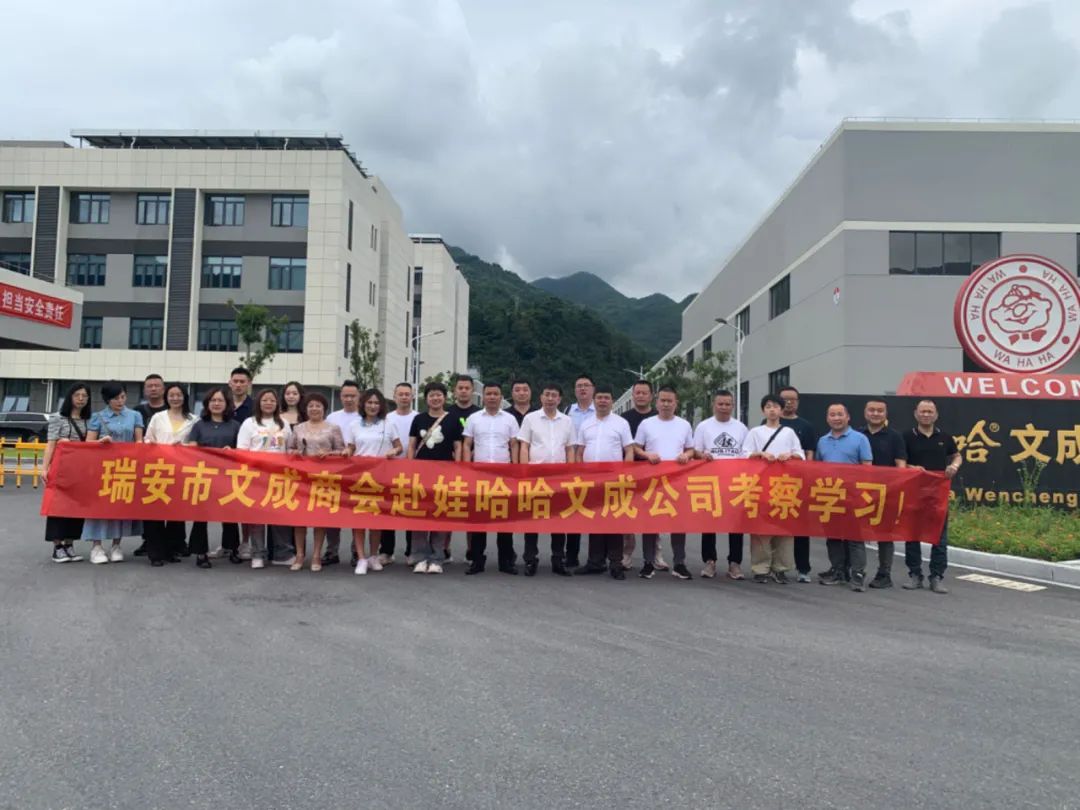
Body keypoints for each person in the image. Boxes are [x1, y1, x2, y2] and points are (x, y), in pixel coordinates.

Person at [633, 385, 695, 580]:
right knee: (650, 522)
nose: (666, 404)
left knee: (679, 522)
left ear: (676, 403)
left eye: (670, 401)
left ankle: (679, 563)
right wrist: (647, 454)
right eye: (663, 400)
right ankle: (648, 563)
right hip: (652, 480)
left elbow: (691, 449)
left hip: (677, 480)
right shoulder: (646, 424)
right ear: (656, 402)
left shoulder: (684, 425)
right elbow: (636, 447)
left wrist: (686, 455)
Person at [574, 383, 634, 579]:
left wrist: (625, 474)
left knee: (614, 521)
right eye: (599, 397)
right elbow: (580, 451)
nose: (602, 401)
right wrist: (579, 475)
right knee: (595, 521)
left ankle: (615, 563)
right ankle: (595, 562)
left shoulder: (621, 423)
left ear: (612, 401)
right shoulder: (586, 423)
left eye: (606, 398)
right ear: (594, 400)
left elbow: (629, 450)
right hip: (591, 481)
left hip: (614, 480)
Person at [743, 394, 805, 584]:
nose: (772, 410)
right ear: (763, 410)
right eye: (768, 406)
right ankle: (760, 568)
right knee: (760, 529)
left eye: (776, 406)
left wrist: (790, 455)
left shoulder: (789, 432)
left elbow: (801, 454)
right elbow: (744, 455)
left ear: (781, 410)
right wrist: (760, 454)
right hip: (761, 485)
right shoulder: (755, 432)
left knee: (784, 528)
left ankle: (781, 568)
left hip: (784, 485)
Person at [517, 383, 577, 576]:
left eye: (554, 395)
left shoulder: (567, 421)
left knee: (559, 521)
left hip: (559, 477)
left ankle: (558, 560)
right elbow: (524, 446)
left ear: (560, 399)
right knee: (532, 520)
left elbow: (570, 449)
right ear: (541, 397)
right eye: (547, 395)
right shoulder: (530, 418)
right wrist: (524, 472)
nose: (550, 398)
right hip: (535, 476)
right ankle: (530, 559)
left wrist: (570, 475)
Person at [82, 382, 145, 564]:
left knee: (120, 506)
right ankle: (96, 546)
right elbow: (88, 444)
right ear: (107, 400)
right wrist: (101, 442)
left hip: (126, 468)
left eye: (122, 397)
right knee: (99, 507)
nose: (120, 401)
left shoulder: (135, 415)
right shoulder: (98, 417)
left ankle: (117, 545)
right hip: (102, 469)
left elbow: (139, 441)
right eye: (115, 398)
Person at [903, 399, 960, 594]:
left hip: (937, 495)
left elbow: (957, 455)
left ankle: (936, 576)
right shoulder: (906, 437)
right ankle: (914, 575)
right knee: (912, 535)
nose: (926, 415)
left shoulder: (944, 437)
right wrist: (911, 467)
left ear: (936, 415)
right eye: (923, 411)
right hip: (914, 493)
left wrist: (954, 466)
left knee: (939, 537)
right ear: (915, 414)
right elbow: (899, 462)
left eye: (930, 412)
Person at [463, 382, 520, 575]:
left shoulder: (510, 419)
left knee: (504, 520)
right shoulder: (474, 418)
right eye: (489, 394)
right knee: (479, 520)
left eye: (496, 394)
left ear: (501, 397)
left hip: (503, 475)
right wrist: (466, 467)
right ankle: (477, 561)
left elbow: (514, 445)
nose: (492, 397)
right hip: (480, 475)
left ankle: (506, 561)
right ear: (483, 396)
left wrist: (516, 469)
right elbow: (467, 444)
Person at [815, 403, 873, 591]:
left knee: (855, 537)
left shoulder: (860, 439)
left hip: (853, 496)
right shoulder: (822, 441)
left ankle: (857, 574)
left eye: (840, 414)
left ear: (848, 417)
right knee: (833, 537)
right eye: (832, 415)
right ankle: (838, 571)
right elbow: (818, 468)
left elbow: (867, 467)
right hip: (830, 495)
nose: (836, 418)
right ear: (827, 418)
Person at [407, 381, 464, 574]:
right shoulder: (418, 419)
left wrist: (458, 470)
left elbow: (457, 447)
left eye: (439, 395)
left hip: (444, 474)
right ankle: (419, 557)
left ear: (445, 397)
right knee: (419, 515)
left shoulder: (453, 419)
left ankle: (437, 558)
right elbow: (412, 445)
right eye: (431, 395)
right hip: (421, 474)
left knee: (440, 515)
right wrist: (409, 469)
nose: (435, 398)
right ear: (426, 398)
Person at [693, 389, 749, 579]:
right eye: (720, 404)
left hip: (735, 483)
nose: (724, 407)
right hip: (710, 482)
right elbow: (695, 451)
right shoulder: (704, 426)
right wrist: (703, 455)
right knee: (709, 523)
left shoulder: (741, 428)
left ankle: (735, 563)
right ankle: (710, 561)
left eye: (727, 404)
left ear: (733, 406)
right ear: (713, 405)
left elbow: (746, 454)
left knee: (736, 524)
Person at [288, 392, 347, 572]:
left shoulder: (333, 428)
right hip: (302, 479)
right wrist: (295, 453)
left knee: (319, 518)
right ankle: (300, 555)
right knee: (299, 519)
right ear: (306, 409)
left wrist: (329, 454)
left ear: (324, 409)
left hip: (324, 479)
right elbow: (289, 449)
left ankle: (316, 555)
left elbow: (342, 451)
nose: (314, 409)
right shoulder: (298, 428)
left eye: (318, 406)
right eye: (311, 406)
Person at [346, 388, 402, 574]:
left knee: (376, 519)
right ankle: (361, 558)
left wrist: (394, 451)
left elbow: (399, 446)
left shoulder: (388, 424)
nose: (372, 406)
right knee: (359, 519)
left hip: (381, 477)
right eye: (369, 402)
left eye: (376, 403)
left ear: (381, 406)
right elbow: (351, 448)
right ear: (363, 404)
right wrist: (345, 452)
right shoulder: (354, 425)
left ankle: (373, 556)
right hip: (360, 478)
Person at [236, 388, 292, 569]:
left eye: (272, 400)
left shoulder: (284, 423)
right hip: (256, 477)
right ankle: (258, 554)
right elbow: (242, 450)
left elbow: (289, 450)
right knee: (257, 517)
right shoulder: (249, 423)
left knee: (279, 516)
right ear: (258, 402)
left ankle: (282, 553)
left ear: (277, 403)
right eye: (265, 400)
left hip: (279, 477)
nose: (268, 403)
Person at [143, 384, 198, 567]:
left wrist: (185, 447)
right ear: (166, 397)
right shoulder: (158, 417)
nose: (175, 398)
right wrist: (151, 444)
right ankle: (155, 553)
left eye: (179, 395)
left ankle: (171, 549)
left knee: (175, 513)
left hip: (182, 471)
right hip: (158, 469)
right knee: (155, 512)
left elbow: (197, 444)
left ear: (185, 397)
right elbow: (147, 439)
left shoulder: (193, 419)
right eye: (171, 395)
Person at [186, 387, 242, 567]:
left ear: (227, 404)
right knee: (201, 515)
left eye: (220, 400)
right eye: (213, 400)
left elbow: (241, 450)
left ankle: (232, 548)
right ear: (207, 404)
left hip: (227, 476)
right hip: (204, 475)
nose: (216, 404)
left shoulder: (234, 425)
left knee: (230, 515)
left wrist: (231, 451)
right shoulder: (199, 425)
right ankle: (201, 553)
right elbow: (192, 447)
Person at [859, 399, 907, 589]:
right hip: (860, 492)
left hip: (886, 492)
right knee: (853, 533)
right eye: (872, 410)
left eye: (880, 411)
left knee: (884, 535)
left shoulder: (895, 436)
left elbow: (901, 464)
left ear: (885, 414)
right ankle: (853, 570)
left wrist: (895, 486)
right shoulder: (857, 435)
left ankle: (884, 574)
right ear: (865, 413)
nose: (875, 413)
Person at [42, 383, 91, 563]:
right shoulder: (57, 418)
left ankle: (70, 544)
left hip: (81, 471)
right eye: (77, 395)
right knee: (57, 507)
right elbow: (51, 444)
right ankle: (57, 547)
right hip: (61, 469)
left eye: (84, 396)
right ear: (70, 397)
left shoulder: (89, 420)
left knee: (77, 508)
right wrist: (44, 468)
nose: (80, 399)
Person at [621, 379, 664, 572]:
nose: (640, 396)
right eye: (637, 393)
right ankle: (626, 554)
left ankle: (657, 554)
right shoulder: (624, 419)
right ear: (633, 395)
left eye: (644, 393)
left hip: (655, 474)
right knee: (628, 515)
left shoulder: (659, 416)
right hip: (630, 473)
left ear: (651, 396)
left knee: (654, 514)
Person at [778, 385, 818, 582]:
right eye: (785, 399)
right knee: (778, 526)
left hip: (798, 483)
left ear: (798, 402)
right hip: (775, 484)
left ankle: (803, 568)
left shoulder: (806, 426)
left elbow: (810, 453)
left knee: (801, 527)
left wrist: (806, 475)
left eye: (792, 399)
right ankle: (779, 567)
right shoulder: (768, 424)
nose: (789, 402)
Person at [323, 381, 364, 566]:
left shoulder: (364, 417)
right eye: (346, 396)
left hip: (360, 472)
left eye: (352, 396)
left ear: (359, 396)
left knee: (358, 513)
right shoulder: (332, 417)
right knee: (332, 512)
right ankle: (332, 551)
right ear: (340, 396)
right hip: (336, 471)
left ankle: (357, 552)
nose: (349, 399)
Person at [379, 382, 417, 566]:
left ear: (412, 396)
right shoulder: (386, 418)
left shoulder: (418, 417)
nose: (404, 397)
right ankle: (386, 551)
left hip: (413, 471)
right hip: (390, 469)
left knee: (411, 511)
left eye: (407, 394)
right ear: (394, 396)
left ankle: (411, 551)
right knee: (388, 511)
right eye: (400, 394)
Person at [446, 373, 480, 565]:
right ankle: (445, 549)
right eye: (460, 388)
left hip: (474, 468)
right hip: (449, 468)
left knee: (471, 512)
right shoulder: (446, 413)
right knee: (448, 509)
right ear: (455, 391)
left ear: (472, 390)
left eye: (467, 388)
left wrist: (472, 454)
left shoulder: (479, 414)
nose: (464, 391)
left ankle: (471, 550)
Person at [132, 373, 167, 557]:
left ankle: (174, 541)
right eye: (149, 386)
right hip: (145, 465)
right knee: (148, 503)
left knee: (172, 504)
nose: (153, 389)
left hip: (170, 465)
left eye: (157, 385)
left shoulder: (172, 408)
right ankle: (149, 540)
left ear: (163, 388)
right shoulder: (137, 411)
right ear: (145, 390)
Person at [564, 374, 596, 569]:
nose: (583, 388)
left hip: (595, 470)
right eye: (579, 386)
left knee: (596, 512)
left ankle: (596, 558)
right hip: (572, 468)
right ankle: (571, 555)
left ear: (593, 389)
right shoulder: (568, 411)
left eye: (586, 385)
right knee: (573, 512)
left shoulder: (600, 410)